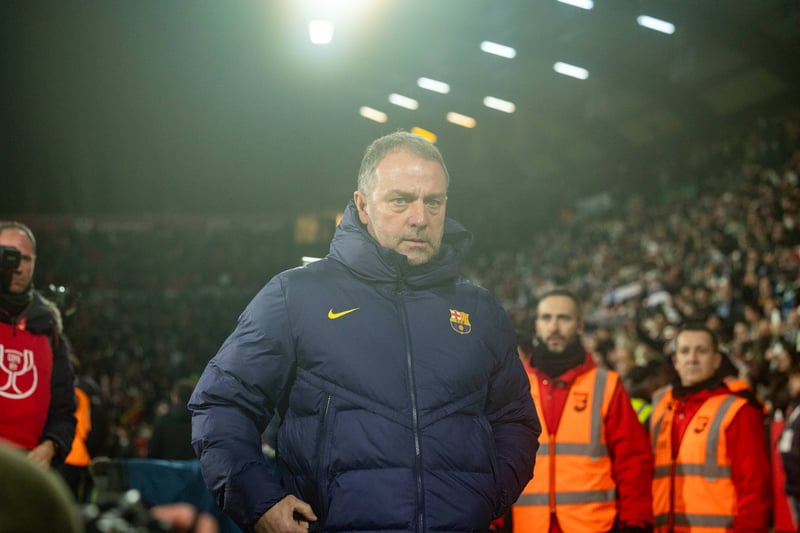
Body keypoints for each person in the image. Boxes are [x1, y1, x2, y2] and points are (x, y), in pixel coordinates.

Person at [189, 131, 541, 533]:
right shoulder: (296, 295)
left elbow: (516, 420)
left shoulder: (480, 310)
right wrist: (260, 502)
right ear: (363, 205)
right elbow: (221, 403)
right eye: (400, 200)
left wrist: (487, 494)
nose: (420, 218)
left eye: (433, 202)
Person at [513, 289, 653, 533]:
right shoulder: (514, 385)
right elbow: (495, 461)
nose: (554, 327)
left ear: (579, 325)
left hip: (593, 525)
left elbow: (632, 462)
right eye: (546, 318)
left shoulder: (606, 385)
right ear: (537, 326)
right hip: (529, 525)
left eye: (563, 318)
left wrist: (635, 522)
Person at [650, 322, 771, 531]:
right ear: (675, 360)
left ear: (716, 360)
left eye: (701, 351)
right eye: (685, 351)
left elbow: (755, 487)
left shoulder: (737, 411)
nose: (692, 358)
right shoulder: (661, 406)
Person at [0, 221, 76, 467]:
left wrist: (52, 445)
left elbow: (64, 410)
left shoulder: (49, 328)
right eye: (8, 256)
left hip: (27, 470)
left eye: (25, 258)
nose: (18, 267)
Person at [148, 377, 196, 460]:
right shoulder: (202, 424)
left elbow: (152, 456)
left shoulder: (163, 422)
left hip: (164, 468)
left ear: (174, 397)